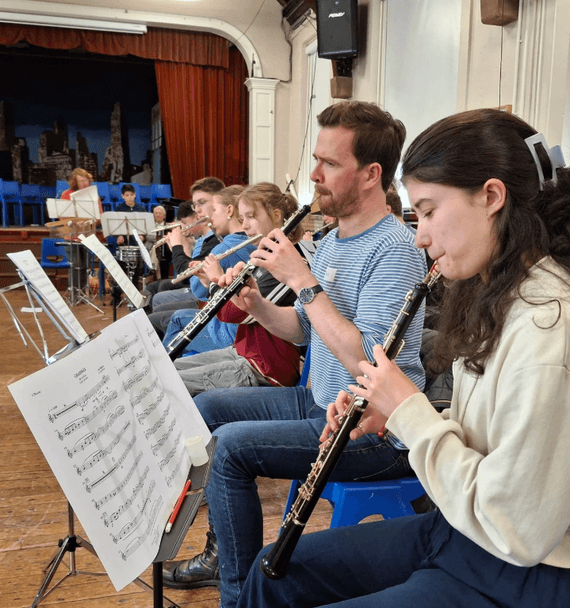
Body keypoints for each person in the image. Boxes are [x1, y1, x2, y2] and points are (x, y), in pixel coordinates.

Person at [237, 108, 570, 608]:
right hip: (459, 527)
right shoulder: (500, 294)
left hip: (521, 569)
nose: (420, 235)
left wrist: (410, 412)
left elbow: (516, 529)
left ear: (492, 197)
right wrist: (394, 414)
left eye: (430, 211)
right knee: (272, 576)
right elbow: (488, 436)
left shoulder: (548, 328)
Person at [162, 101, 427, 608]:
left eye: (330, 163)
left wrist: (303, 280)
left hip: (376, 426)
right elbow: (305, 334)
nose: (314, 174)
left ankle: (239, 598)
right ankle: (225, 556)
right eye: (316, 159)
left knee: (234, 449)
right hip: (320, 401)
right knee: (209, 408)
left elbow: (370, 366)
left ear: (371, 175)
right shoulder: (330, 240)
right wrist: (258, 305)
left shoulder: (394, 250)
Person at [172, 182, 305, 394]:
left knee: (170, 385)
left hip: (267, 367)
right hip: (244, 351)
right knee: (166, 370)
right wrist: (211, 282)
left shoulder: (286, 264)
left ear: (277, 216)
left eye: (251, 217)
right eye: (242, 219)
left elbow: (235, 314)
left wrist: (216, 281)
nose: (244, 227)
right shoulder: (263, 256)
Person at [160, 184, 258, 355]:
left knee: (176, 319)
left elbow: (197, 291)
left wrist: (180, 247)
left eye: (214, 210)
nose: (210, 217)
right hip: (238, 325)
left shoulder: (226, 248)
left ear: (229, 211)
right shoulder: (249, 242)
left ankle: (167, 369)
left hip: (229, 333)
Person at [144, 177, 225, 310]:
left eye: (202, 202)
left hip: (205, 297)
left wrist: (178, 247)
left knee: (161, 293)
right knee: (154, 288)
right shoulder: (208, 237)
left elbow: (188, 276)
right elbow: (190, 271)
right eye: (195, 205)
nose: (197, 210)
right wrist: (180, 248)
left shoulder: (219, 238)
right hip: (200, 290)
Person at [114, 184, 147, 287]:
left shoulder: (141, 209)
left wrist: (143, 236)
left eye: (131, 195)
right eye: (127, 195)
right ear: (123, 196)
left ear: (135, 195)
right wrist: (118, 236)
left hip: (136, 245)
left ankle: (135, 297)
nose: (129, 197)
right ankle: (118, 295)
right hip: (123, 245)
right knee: (121, 272)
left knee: (136, 272)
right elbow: (114, 226)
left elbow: (145, 228)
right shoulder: (119, 209)